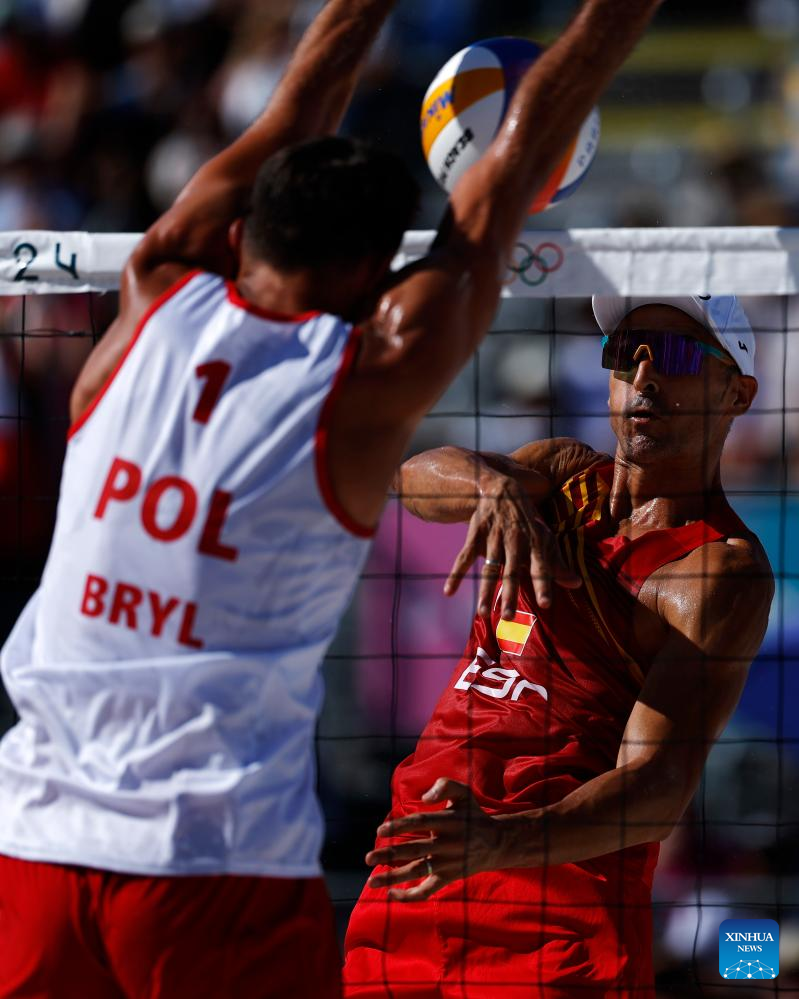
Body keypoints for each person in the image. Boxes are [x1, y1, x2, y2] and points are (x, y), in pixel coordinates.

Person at [0, 0, 663, 995]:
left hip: (31, 838)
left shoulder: (151, 289)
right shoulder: (360, 383)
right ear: (368, 278)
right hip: (208, 863)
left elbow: (290, 113)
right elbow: (511, 165)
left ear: (245, 227)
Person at [343, 295, 774, 998]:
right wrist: (491, 487)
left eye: (672, 354)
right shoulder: (560, 474)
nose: (642, 377)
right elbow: (411, 477)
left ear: (737, 394)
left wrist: (499, 842)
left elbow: (657, 789)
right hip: (415, 874)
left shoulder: (715, 570)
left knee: (747, 959)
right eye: (624, 354)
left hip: (552, 919)